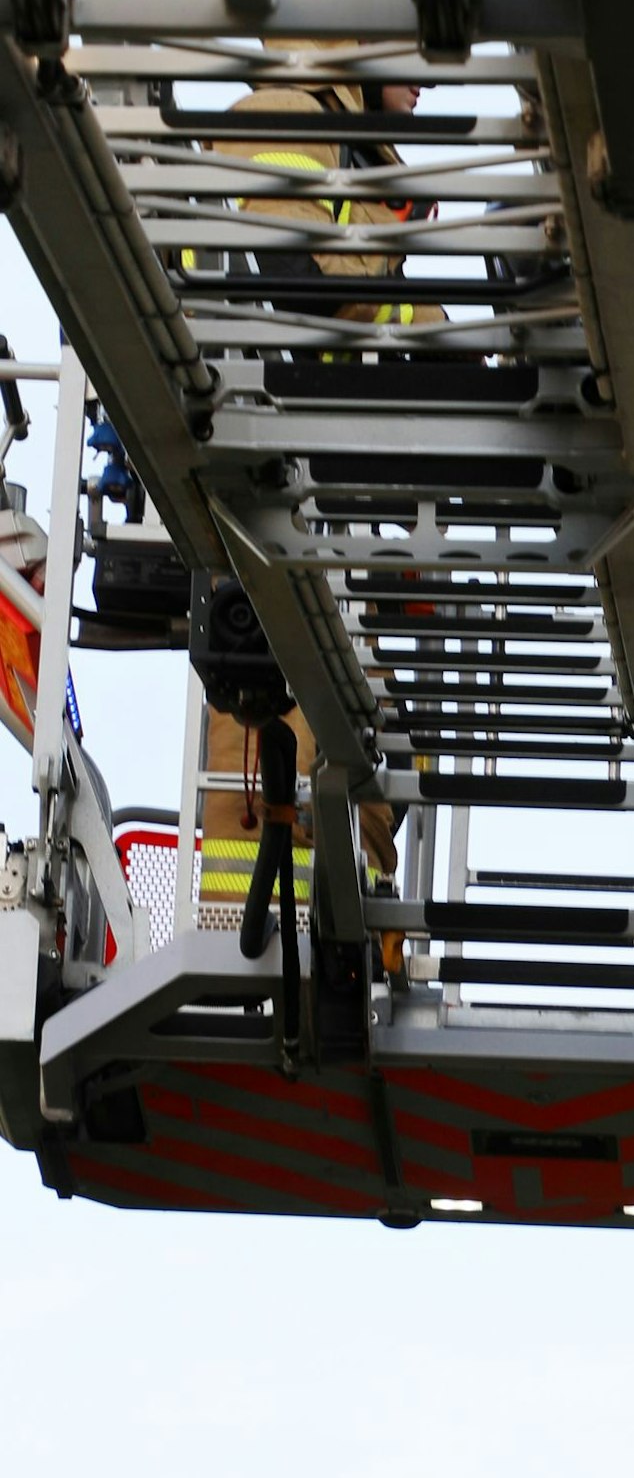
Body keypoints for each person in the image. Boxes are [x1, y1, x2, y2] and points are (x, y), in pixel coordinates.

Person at [197, 63, 440, 914]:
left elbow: (385, 314)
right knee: (277, 741)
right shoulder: (281, 116)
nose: (426, 88)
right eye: (409, 62)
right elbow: (300, 284)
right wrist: (398, 262)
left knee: (371, 758)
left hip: (322, 503)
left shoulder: (354, 162)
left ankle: (353, 931)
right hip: (267, 491)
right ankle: (251, 936)